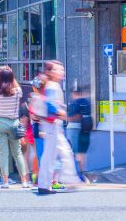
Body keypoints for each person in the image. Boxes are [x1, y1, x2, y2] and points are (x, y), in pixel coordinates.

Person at [37, 61, 81, 195]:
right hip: (52, 124)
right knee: (51, 155)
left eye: (62, 69)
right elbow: (50, 103)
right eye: (58, 69)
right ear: (50, 72)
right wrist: (60, 112)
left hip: (52, 124)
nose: (62, 72)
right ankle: (52, 183)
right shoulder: (53, 86)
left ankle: (68, 180)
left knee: (63, 151)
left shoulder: (51, 85)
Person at [0, 66, 29, 189]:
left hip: (1, 123)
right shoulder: (17, 92)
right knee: (17, 153)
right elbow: (18, 87)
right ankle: (24, 181)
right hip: (14, 123)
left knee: (3, 154)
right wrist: (11, 75)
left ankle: (5, 182)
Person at [66, 85, 92, 184]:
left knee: (74, 151)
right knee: (82, 152)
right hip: (85, 128)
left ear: (73, 93)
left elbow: (71, 117)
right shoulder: (86, 102)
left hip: (73, 129)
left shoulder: (73, 103)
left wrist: (69, 118)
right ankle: (82, 173)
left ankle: (77, 174)